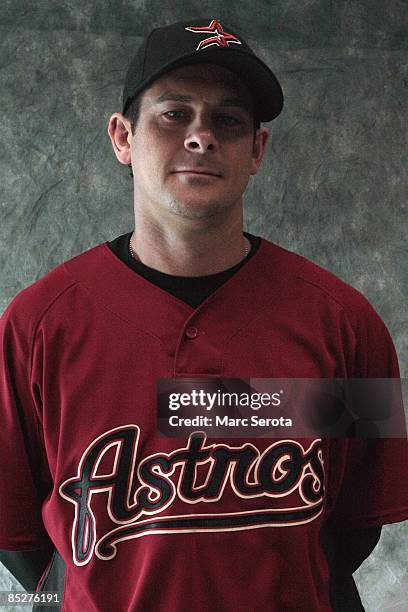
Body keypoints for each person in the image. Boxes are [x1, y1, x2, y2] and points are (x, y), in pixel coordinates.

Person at [0, 18, 407, 612]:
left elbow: (353, 524)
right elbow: (18, 534)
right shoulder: (35, 324)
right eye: (173, 113)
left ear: (257, 151)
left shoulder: (346, 322)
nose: (202, 136)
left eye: (229, 120)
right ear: (122, 137)